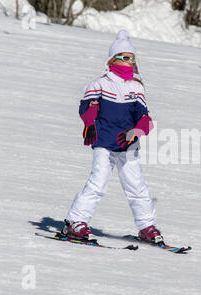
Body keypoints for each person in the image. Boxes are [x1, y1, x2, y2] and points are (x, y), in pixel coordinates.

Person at [62, 30, 163, 244]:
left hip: (128, 146)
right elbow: (85, 108)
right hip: (104, 143)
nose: (130, 62)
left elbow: (144, 117)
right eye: (126, 57)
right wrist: (90, 118)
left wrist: (138, 130)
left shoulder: (136, 87)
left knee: (136, 186)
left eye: (133, 58)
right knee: (98, 183)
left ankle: (147, 226)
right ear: (113, 58)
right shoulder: (100, 83)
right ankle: (75, 222)